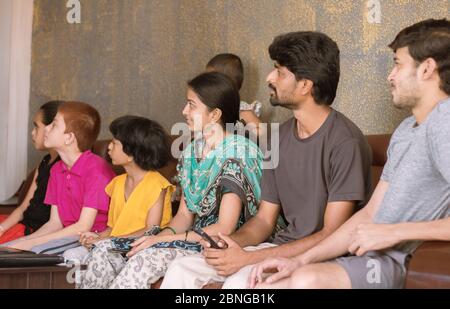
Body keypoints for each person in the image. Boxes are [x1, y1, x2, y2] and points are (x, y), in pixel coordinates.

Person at [248, 18, 450, 289]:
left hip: (398, 262)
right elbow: (368, 215)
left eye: (398, 64)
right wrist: (300, 260)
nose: (390, 76)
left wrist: (393, 233)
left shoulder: (444, 121)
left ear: (426, 68)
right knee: (272, 283)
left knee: (304, 281)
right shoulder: (405, 131)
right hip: (368, 256)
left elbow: (378, 228)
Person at [161, 31, 372, 289]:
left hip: (324, 257)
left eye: (279, 72)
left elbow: (332, 235)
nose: (270, 78)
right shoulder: (277, 138)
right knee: (181, 269)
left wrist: (248, 258)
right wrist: (231, 245)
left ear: (305, 85)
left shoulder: (344, 142)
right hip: (279, 246)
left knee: (240, 284)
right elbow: (263, 220)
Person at [78, 72, 264, 289]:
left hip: (214, 243)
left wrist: (160, 241)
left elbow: (225, 227)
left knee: (143, 260)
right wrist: (155, 238)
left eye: (191, 105)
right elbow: (184, 215)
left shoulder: (237, 153)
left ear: (214, 115)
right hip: (186, 237)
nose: (184, 111)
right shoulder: (191, 153)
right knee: (104, 250)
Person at [2, 101, 115, 255]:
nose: (46, 129)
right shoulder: (56, 169)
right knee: (12, 247)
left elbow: (83, 227)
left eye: (54, 125)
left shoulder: (96, 171)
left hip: (90, 238)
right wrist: (22, 242)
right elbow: (55, 223)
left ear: (69, 138)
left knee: (31, 250)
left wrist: (31, 242)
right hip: (66, 234)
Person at [63, 115, 175, 261]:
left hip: (142, 249)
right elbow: (113, 228)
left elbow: (151, 230)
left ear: (131, 155)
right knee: (71, 255)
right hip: (114, 246)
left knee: (100, 255)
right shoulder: (117, 183)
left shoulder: (157, 185)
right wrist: (97, 237)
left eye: (114, 143)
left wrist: (108, 242)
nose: (109, 147)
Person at [0, 101, 62, 244]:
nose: (32, 132)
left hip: (34, 231)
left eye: (36, 126)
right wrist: (2, 228)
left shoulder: (62, 168)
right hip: (22, 223)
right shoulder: (45, 162)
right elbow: (23, 207)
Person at [206, 53, 262, 137]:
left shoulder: (241, 110)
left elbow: (261, 132)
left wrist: (241, 134)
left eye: (210, 81)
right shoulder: (212, 109)